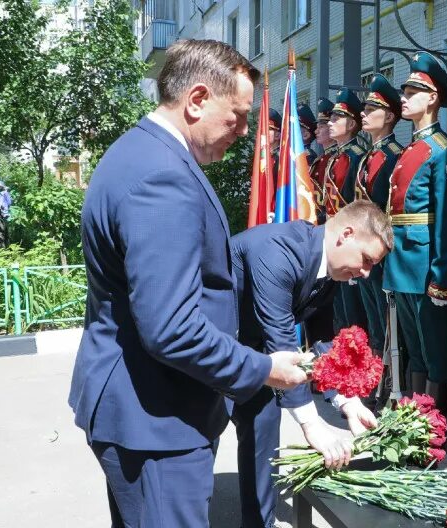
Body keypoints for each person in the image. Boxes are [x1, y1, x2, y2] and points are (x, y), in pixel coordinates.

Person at [67, 40, 310, 527]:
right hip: (156, 420)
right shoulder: (162, 177)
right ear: (197, 99)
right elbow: (172, 330)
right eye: (237, 116)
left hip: (146, 411)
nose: (244, 132)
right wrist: (263, 368)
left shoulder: (143, 153)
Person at [231, 200, 389, 528]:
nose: (365, 273)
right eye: (366, 260)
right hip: (211, 353)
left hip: (255, 354)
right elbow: (282, 339)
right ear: (346, 234)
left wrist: (348, 402)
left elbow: (320, 339)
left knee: (262, 437)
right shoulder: (279, 251)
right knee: (196, 452)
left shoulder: (329, 267)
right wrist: (312, 424)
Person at [384, 52, 447, 417]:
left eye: (412, 90)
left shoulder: (442, 152)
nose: (404, 96)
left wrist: (442, 278)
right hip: (402, 264)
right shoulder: (412, 150)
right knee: (415, 351)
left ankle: (433, 433)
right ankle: (413, 427)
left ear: (432, 97)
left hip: (425, 270)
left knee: (435, 355)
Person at [355, 74, 404, 360]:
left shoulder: (394, 155)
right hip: (363, 247)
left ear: (387, 116)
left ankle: (387, 379)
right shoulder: (367, 156)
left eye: (370, 110)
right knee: (371, 317)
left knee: (387, 320)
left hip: (381, 251)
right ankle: (373, 374)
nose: (363, 114)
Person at [324, 89, 368, 333]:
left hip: (350, 239)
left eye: (335, 119)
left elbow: (356, 204)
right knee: (339, 308)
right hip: (334, 237)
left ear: (351, 124)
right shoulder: (335, 156)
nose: (330, 124)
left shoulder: (356, 157)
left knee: (354, 313)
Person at [309, 97, 336, 224]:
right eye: (317, 126)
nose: (316, 131)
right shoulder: (320, 160)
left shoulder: (336, 158)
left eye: (321, 126)